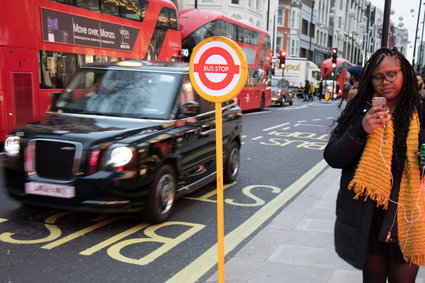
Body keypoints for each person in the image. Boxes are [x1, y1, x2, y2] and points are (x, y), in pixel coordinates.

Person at [324, 47, 425, 282]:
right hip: (369, 220)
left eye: (392, 74)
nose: (385, 81)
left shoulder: (421, 112)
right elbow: (333, 156)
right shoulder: (359, 110)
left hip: (408, 218)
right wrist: (361, 130)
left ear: (405, 74)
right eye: (378, 76)